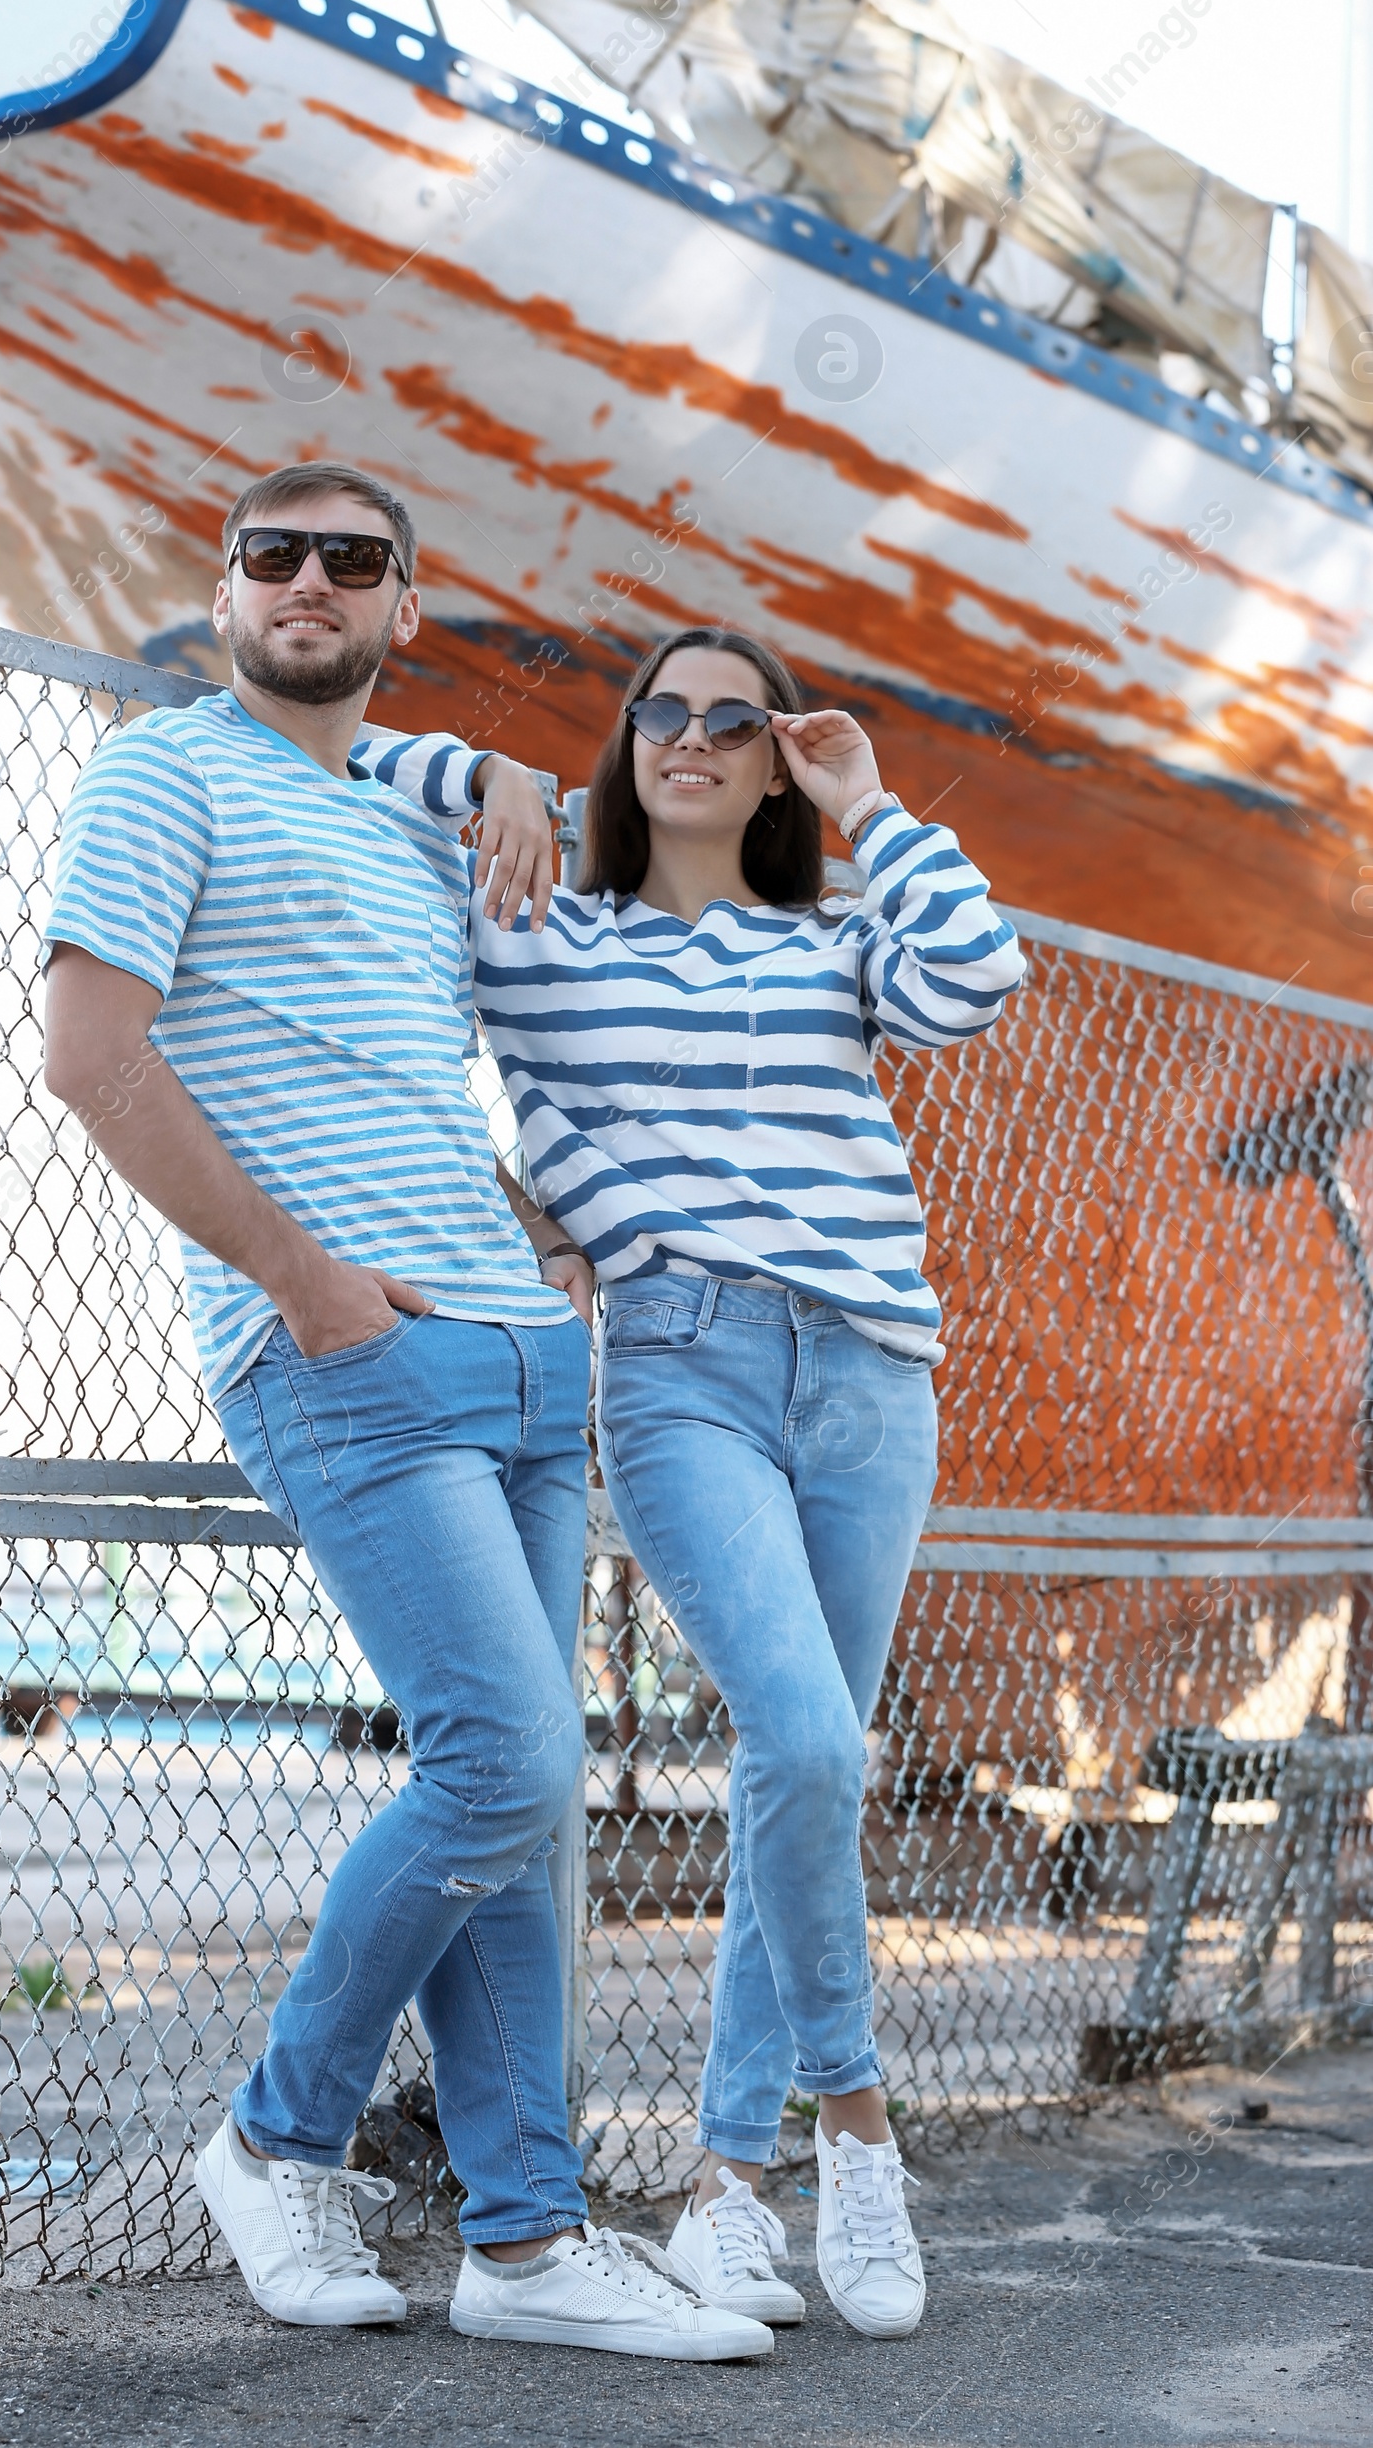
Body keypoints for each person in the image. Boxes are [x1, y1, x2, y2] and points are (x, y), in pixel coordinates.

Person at [42, 469, 771, 2363]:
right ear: (222, 588)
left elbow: (444, 940)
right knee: (507, 1758)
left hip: (526, 1352)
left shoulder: (415, 812)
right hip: (347, 1351)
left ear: (403, 605)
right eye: (271, 555)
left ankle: (526, 2246)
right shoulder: (161, 774)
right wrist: (304, 1282)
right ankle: (275, 2137)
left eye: (350, 562)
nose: (306, 583)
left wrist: (496, 776)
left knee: (530, 1824)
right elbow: (88, 1055)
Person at [360, 622, 1025, 2340]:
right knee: (809, 1740)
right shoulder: (539, 934)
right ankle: (860, 2128)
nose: (701, 740)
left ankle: (730, 2186)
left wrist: (872, 803)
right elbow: (340, 758)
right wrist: (488, 772)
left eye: (740, 723)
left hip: (874, 1371)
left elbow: (977, 977)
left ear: (771, 761)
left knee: (791, 1780)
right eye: (670, 713)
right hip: (679, 1366)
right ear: (629, 740)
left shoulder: (832, 944)